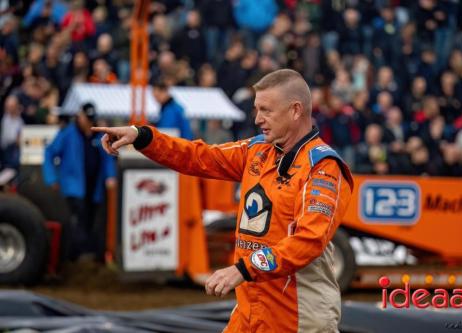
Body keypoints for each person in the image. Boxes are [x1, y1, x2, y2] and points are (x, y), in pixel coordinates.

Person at [93, 69, 353, 332]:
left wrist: (243, 269)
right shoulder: (258, 149)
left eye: (266, 110)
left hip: (297, 314)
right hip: (252, 304)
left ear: (296, 110)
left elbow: (308, 240)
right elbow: (200, 156)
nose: (258, 119)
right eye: (256, 109)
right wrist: (143, 137)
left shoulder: (323, 167)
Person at [43, 102, 116, 260]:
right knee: (78, 218)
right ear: (80, 117)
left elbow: (107, 159)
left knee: (92, 220)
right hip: (74, 187)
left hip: (94, 188)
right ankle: (78, 255)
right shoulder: (68, 133)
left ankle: (88, 254)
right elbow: (50, 153)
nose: (88, 122)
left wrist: (110, 176)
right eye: (86, 118)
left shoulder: (98, 135)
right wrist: (52, 178)